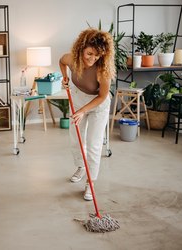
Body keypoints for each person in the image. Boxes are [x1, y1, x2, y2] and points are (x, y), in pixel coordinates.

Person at [59, 28, 115, 201]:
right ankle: (81, 167)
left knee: (93, 144)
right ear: (81, 48)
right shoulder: (71, 59)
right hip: (77, 100)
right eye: (89, 53)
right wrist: (65, 77)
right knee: (76, 138)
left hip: (98, 106)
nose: (92, 58)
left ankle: (91, 182)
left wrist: (84, 111)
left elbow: (102, 96)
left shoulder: (102, 70)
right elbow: (61, 61)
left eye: (97, 55)